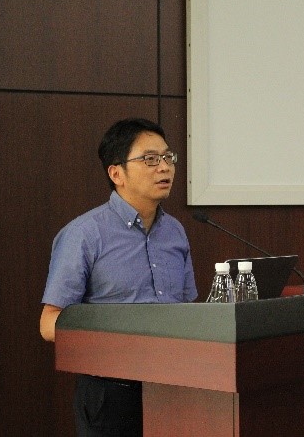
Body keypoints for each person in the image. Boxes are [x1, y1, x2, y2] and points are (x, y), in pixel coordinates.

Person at [40, 118, 198, 436]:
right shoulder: (84, 234)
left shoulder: (175, 232)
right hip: (111, 393)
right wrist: (121, 336)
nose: (164, 167)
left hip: (174, 386)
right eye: (150, 159)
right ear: (116, 174)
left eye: (168, 157)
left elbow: (189, 309)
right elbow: (49, 324)